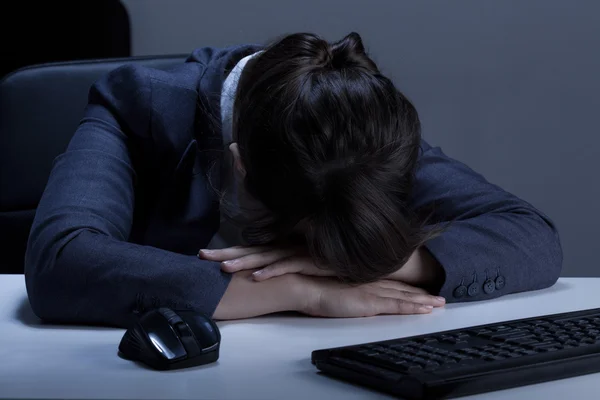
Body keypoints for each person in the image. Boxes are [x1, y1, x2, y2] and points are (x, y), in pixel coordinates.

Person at [24, 32, 563, 328]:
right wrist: (295, 291)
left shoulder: (359, 128)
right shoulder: (134, 102)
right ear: (241, 166)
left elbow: (531, 235)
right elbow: (62, 260)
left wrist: (365, 258)